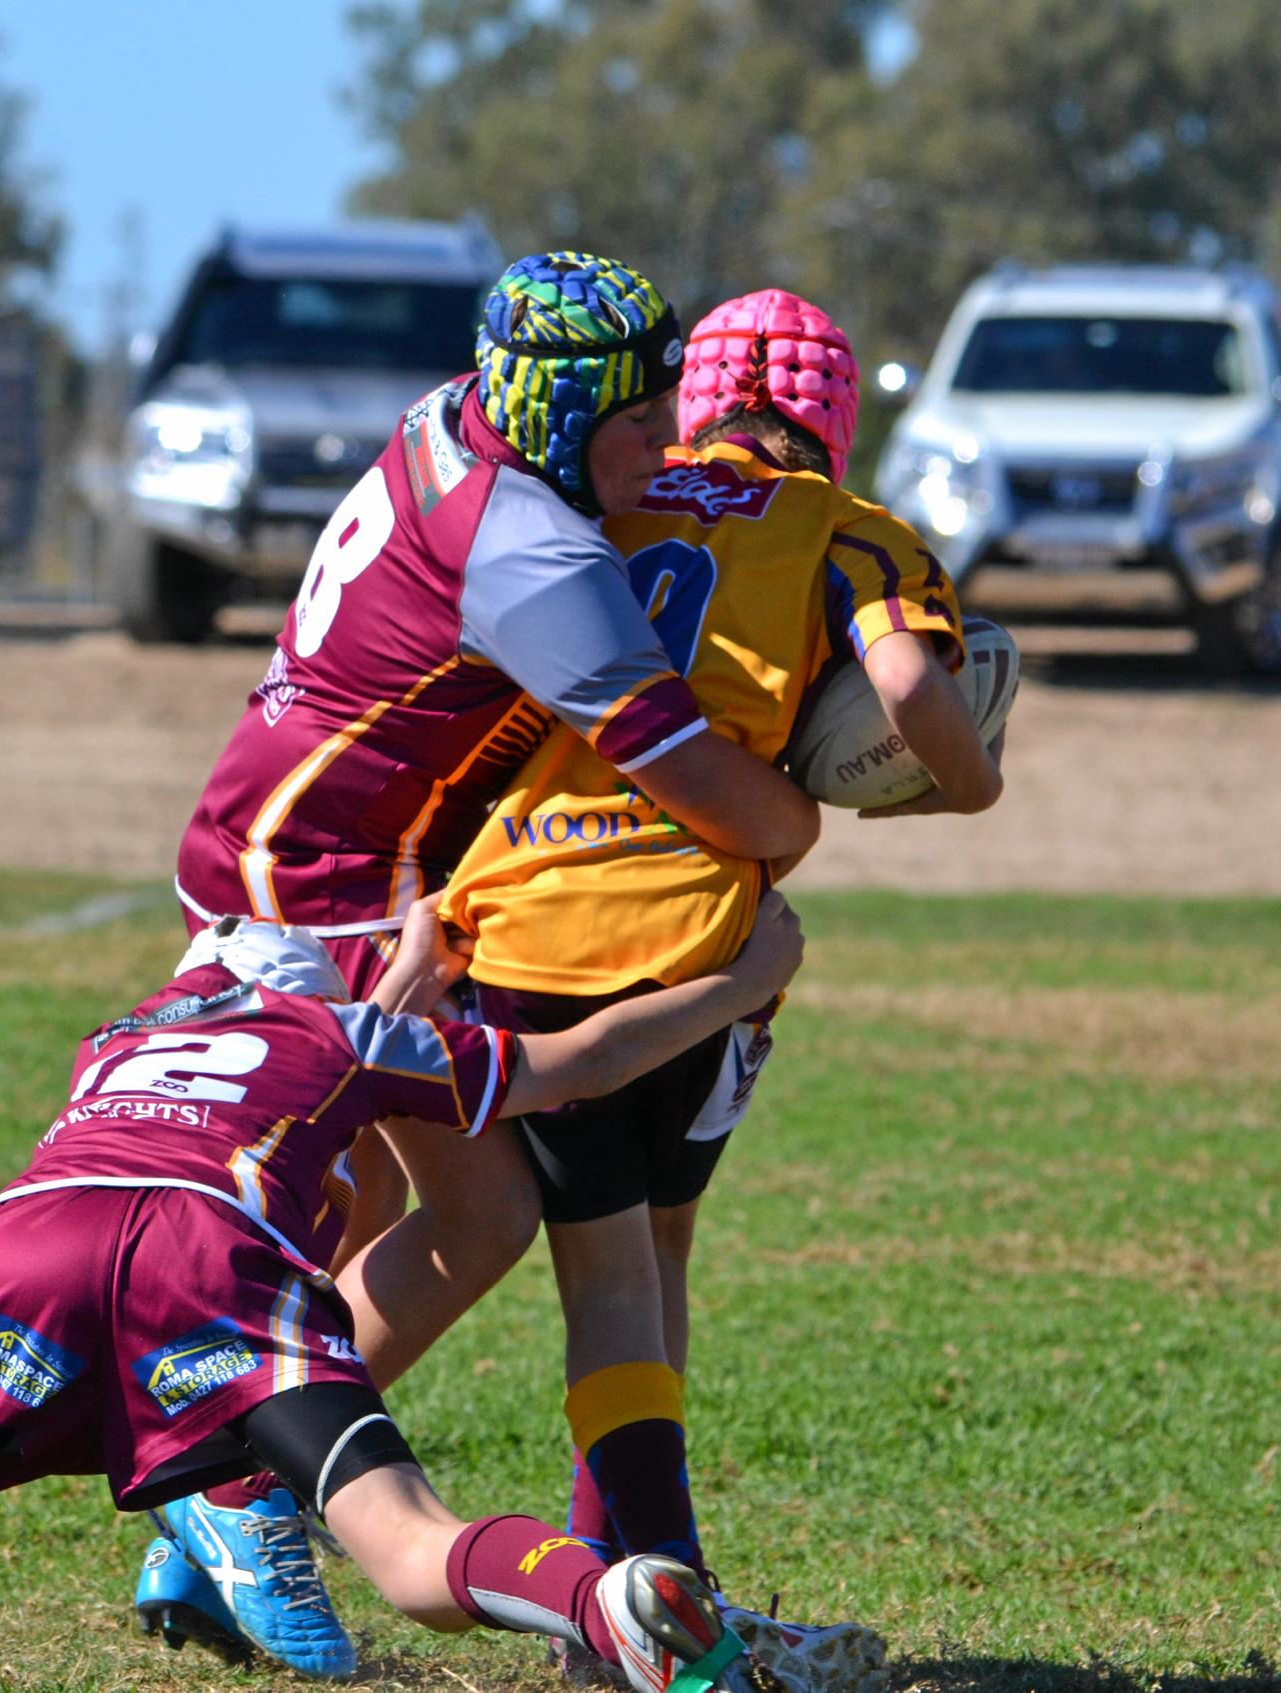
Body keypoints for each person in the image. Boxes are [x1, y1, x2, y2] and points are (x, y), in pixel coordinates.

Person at [155, 251, 821, 1671]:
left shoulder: (454, 414)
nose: (665, 448)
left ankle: (220, 1500)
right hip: (331, 893)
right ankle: (231, 1492)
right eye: (637, 425)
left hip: (282, 837)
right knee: (484, 1218)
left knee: (363, 1203)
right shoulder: (538, 554)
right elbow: (696, 781)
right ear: (566, 421)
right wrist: (801, 812)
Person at [0, 894, 805, 1693]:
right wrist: (741, 979)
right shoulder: (344, 1035)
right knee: (410, 1550)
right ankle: (606, 1600)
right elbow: (587, 1060)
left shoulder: (113, 1039)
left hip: (23, 1254)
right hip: (207, 1258)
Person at [438, 289, 1003, 1693]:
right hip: (698, 940)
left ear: (689, 402)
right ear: (833, 418)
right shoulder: (853, 531)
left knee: (601, 1263)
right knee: (638, 1267)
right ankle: (661, 1620)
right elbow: (913, 686)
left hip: (515, 922)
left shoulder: (596, 499)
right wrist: (964, 788)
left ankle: (628, 1607)